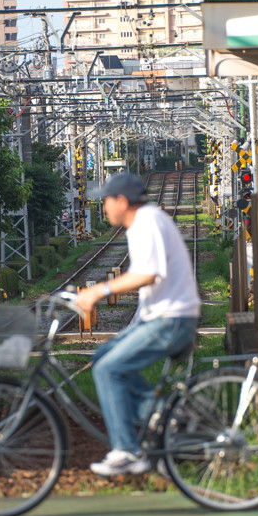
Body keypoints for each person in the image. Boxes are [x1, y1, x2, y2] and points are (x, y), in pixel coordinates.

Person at [75, 172, 201, 477]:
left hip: (172, 318)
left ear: (122, 201)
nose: (103, 208)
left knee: (108, 370)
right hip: (161, 316)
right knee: (102, 358)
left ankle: (127, 451)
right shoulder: (142, 222)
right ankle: (167, 417)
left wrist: (99, 290)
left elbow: (147, 274)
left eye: (106, 201)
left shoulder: (147, 221)